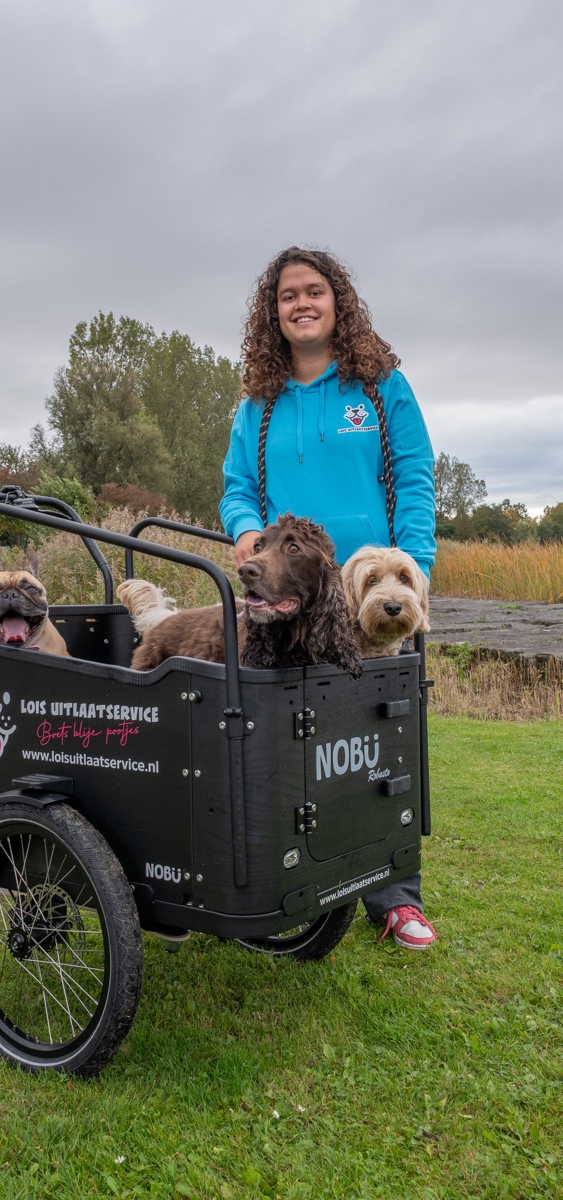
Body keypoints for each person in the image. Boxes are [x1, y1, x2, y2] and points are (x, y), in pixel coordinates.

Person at [219, 246, 437, 950]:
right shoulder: (257, 404)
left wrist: (412, 570)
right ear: (273, 313)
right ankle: (289, 876)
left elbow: (415, 475)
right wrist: (247, 533)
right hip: (294, 601)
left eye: (314, 291)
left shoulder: (380, 388)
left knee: (382, 742)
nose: (302, 304)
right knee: (289, 740)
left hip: (371, 593)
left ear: (337, 301)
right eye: (288, 296)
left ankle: (395, 896)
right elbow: (236, 489)